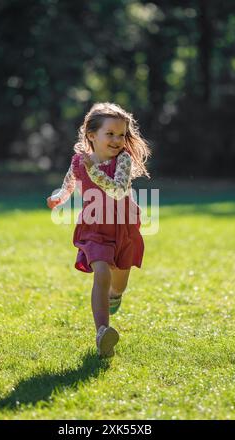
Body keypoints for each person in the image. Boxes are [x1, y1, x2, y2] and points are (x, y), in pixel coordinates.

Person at [47, 102, 151, 358]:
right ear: (91, 135)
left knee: (118, 284)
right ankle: (103, 333)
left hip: (124, 228)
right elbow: (69, 182)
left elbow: (117, 190)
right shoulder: (79, 161)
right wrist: (59, 196)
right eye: (110, 134)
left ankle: (115, 297)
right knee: (101, 272)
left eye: (121, 135)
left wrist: (94, 171)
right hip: (95, 228)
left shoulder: (123, 160)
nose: (117, 140)